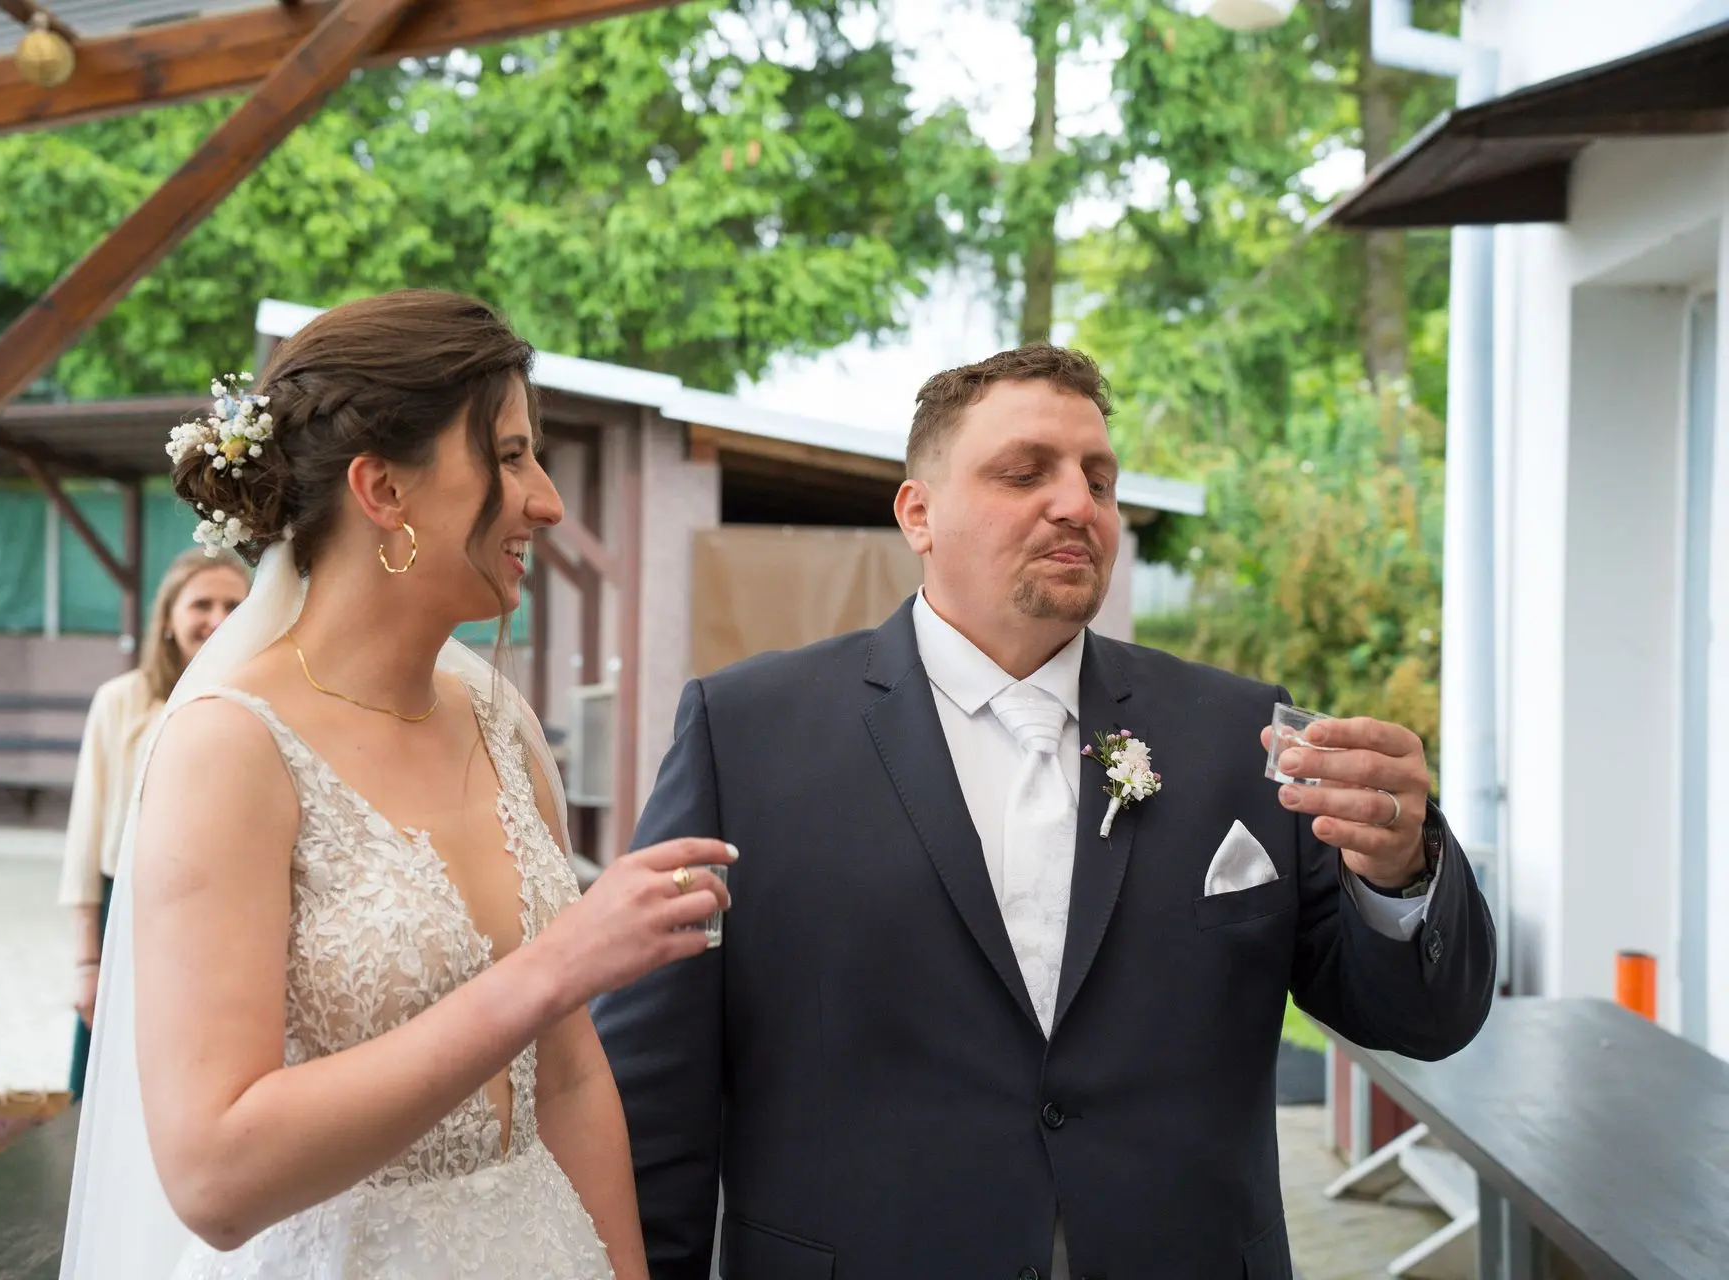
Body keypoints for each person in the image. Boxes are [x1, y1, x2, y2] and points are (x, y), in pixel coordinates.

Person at [592, 344, 1498, 1280]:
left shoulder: (1240, 734)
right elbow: (653, 1093)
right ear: (919, 514)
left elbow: (1424, 1022)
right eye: (1025, 473)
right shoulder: (746, 736)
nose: (1077, 504)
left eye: (1099, 480)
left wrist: (1401, 871)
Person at [60, 290, 735, 1280]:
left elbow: (569, 1080)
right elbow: (214, 1176)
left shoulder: (500, 724)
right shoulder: (231, 748)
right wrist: (551, 968)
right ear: (383, 488)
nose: (546, 500)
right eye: (510, 456)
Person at [60, 546, 250, 1098]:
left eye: (234, 606)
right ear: (168, 617)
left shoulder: (263, 699)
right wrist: (87, 962)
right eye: (202, 605)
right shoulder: (121, 701)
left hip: (228, 916)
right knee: (116, 1083)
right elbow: (85, 838)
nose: (218, 619)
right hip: (129, 911)